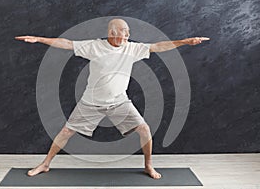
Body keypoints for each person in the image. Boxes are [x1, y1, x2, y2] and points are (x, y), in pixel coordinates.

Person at [15, 18, 209, 179]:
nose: (127, 35)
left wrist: (184, 42)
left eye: (128, 32)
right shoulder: (94, 46)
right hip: (90, 103)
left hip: (119, 103)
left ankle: (148, 166)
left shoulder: (131, 49)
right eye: (123, 31)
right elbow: (67, 44)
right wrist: (39, 39)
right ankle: (46, 164)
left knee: (144, 129)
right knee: (66, 132)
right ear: (112, 32)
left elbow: (158, 46)